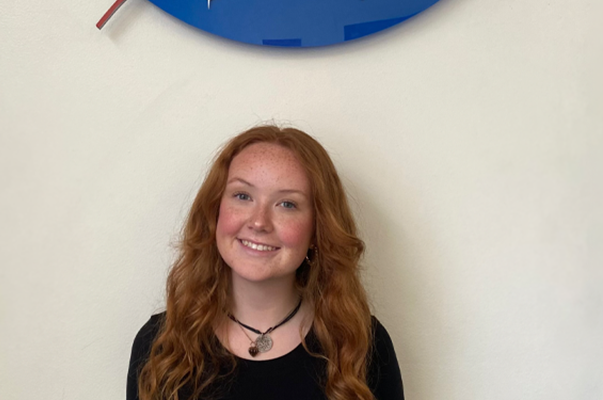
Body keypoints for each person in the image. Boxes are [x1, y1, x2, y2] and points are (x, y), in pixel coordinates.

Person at [127, 125, 404, 400]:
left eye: (287, 204)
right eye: (243, 196)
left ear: (318, 230)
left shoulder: (363, 347)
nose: (259, 222)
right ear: (215, 212)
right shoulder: (159, 346)